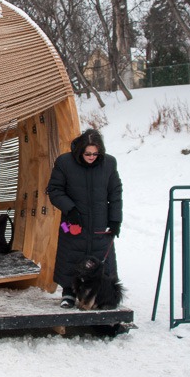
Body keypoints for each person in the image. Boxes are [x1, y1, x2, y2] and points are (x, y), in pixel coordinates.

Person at [46, 128, 123, 309]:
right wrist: (70, 209)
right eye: (88, 153)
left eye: (96, 153)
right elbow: (55, 190)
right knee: (71, 256)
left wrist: (115, 220)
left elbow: (116, 193)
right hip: (73, 221)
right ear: (80, 150)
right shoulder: (64, 162)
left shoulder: (109, 164)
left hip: (99, 222)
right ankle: (68, 292)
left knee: (101, 259)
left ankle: (100, 294)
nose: (91, 157)